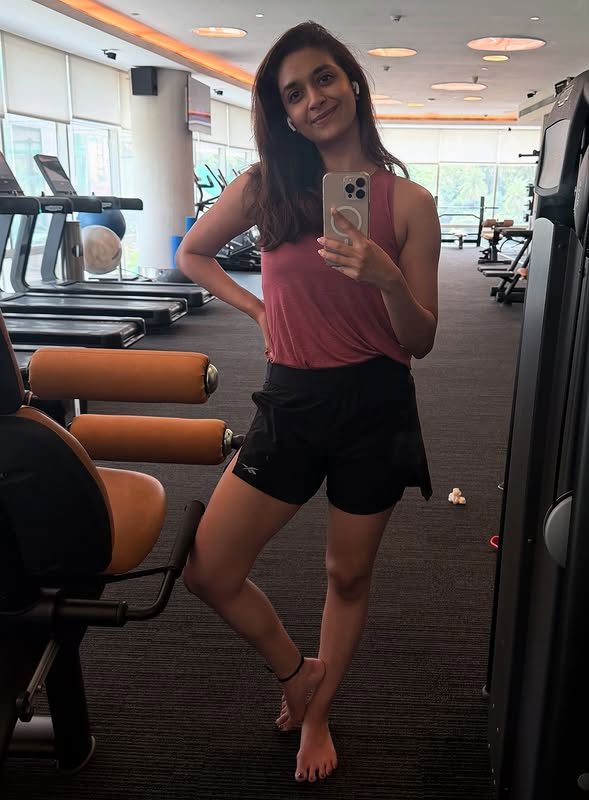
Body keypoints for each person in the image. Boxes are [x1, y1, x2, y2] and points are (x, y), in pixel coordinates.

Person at [176, 20, 440, 784]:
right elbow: (192, 252)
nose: (313, 99)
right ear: (284, 115)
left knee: (346, 576)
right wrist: (257, 311)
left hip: (375, 407)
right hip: (291, 400)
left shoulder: (411, 203)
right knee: (208, 570)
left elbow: (420, 340)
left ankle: (318, 716)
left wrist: (387, 278)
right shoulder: (267, 187)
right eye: (293, 94)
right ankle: (299, 674)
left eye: (323, 78)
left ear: (352, 82)